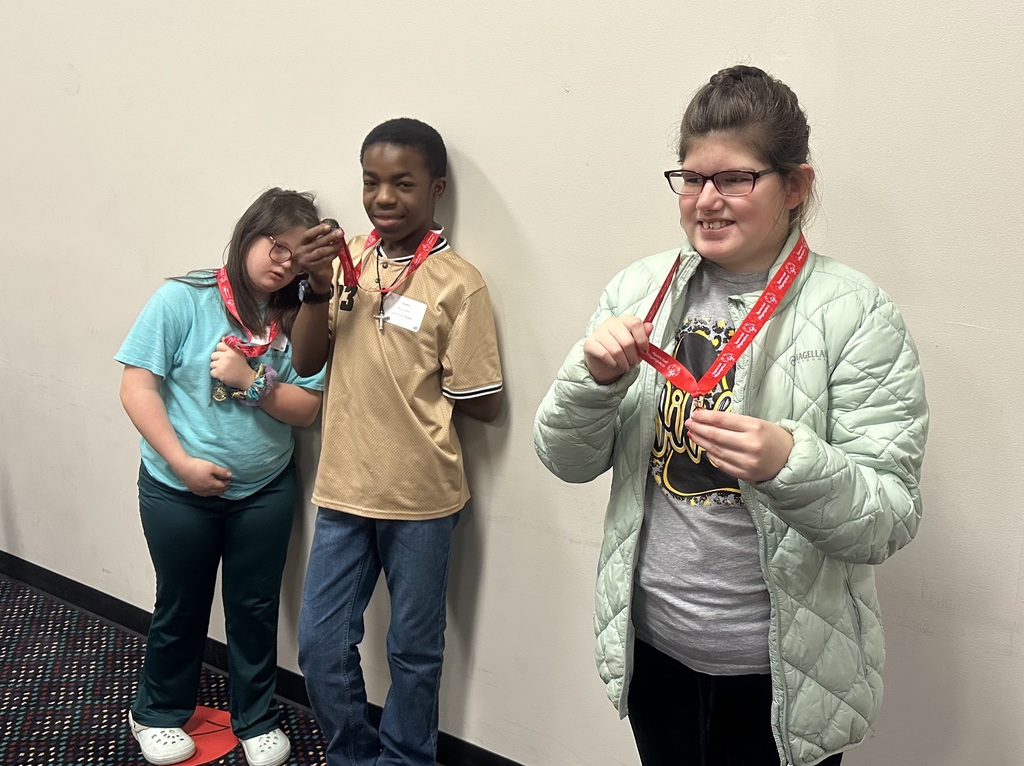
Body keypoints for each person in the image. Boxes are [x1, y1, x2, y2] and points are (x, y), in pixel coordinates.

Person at [534, 65, 929, 766]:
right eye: (691, 178)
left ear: (796, 186)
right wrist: (589, 380)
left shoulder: (857, 313)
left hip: (782, 668)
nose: (707, 200)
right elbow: (566, 460)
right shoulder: (639, 288)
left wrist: (789, 462)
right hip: (652, 646)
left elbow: (889, 518)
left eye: (736, 179)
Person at [288, 117, 504, 766]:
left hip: (423, 500)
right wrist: (317, 288)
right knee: (320, 645)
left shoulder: (459, 283)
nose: (384, 197)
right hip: (343, 491)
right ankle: (354, 756)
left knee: (415, 652)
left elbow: (483, 400)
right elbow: (304, 362)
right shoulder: (344, 264)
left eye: (403, 183)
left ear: (436, 189)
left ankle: (408, 759)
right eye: (371, 182)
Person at [115, 188, 327, 766]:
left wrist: (252, 382)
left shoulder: (304, 317)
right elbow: (137, 387)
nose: (282, 261)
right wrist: (181, 462)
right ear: (247, 236)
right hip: (175, 489)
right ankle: (155, 712)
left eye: (295, 254)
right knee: (180, 603)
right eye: (273, 244)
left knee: (254, 607)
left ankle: (255, 716)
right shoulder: (184, 298)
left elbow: (308, 410)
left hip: (264, 491)